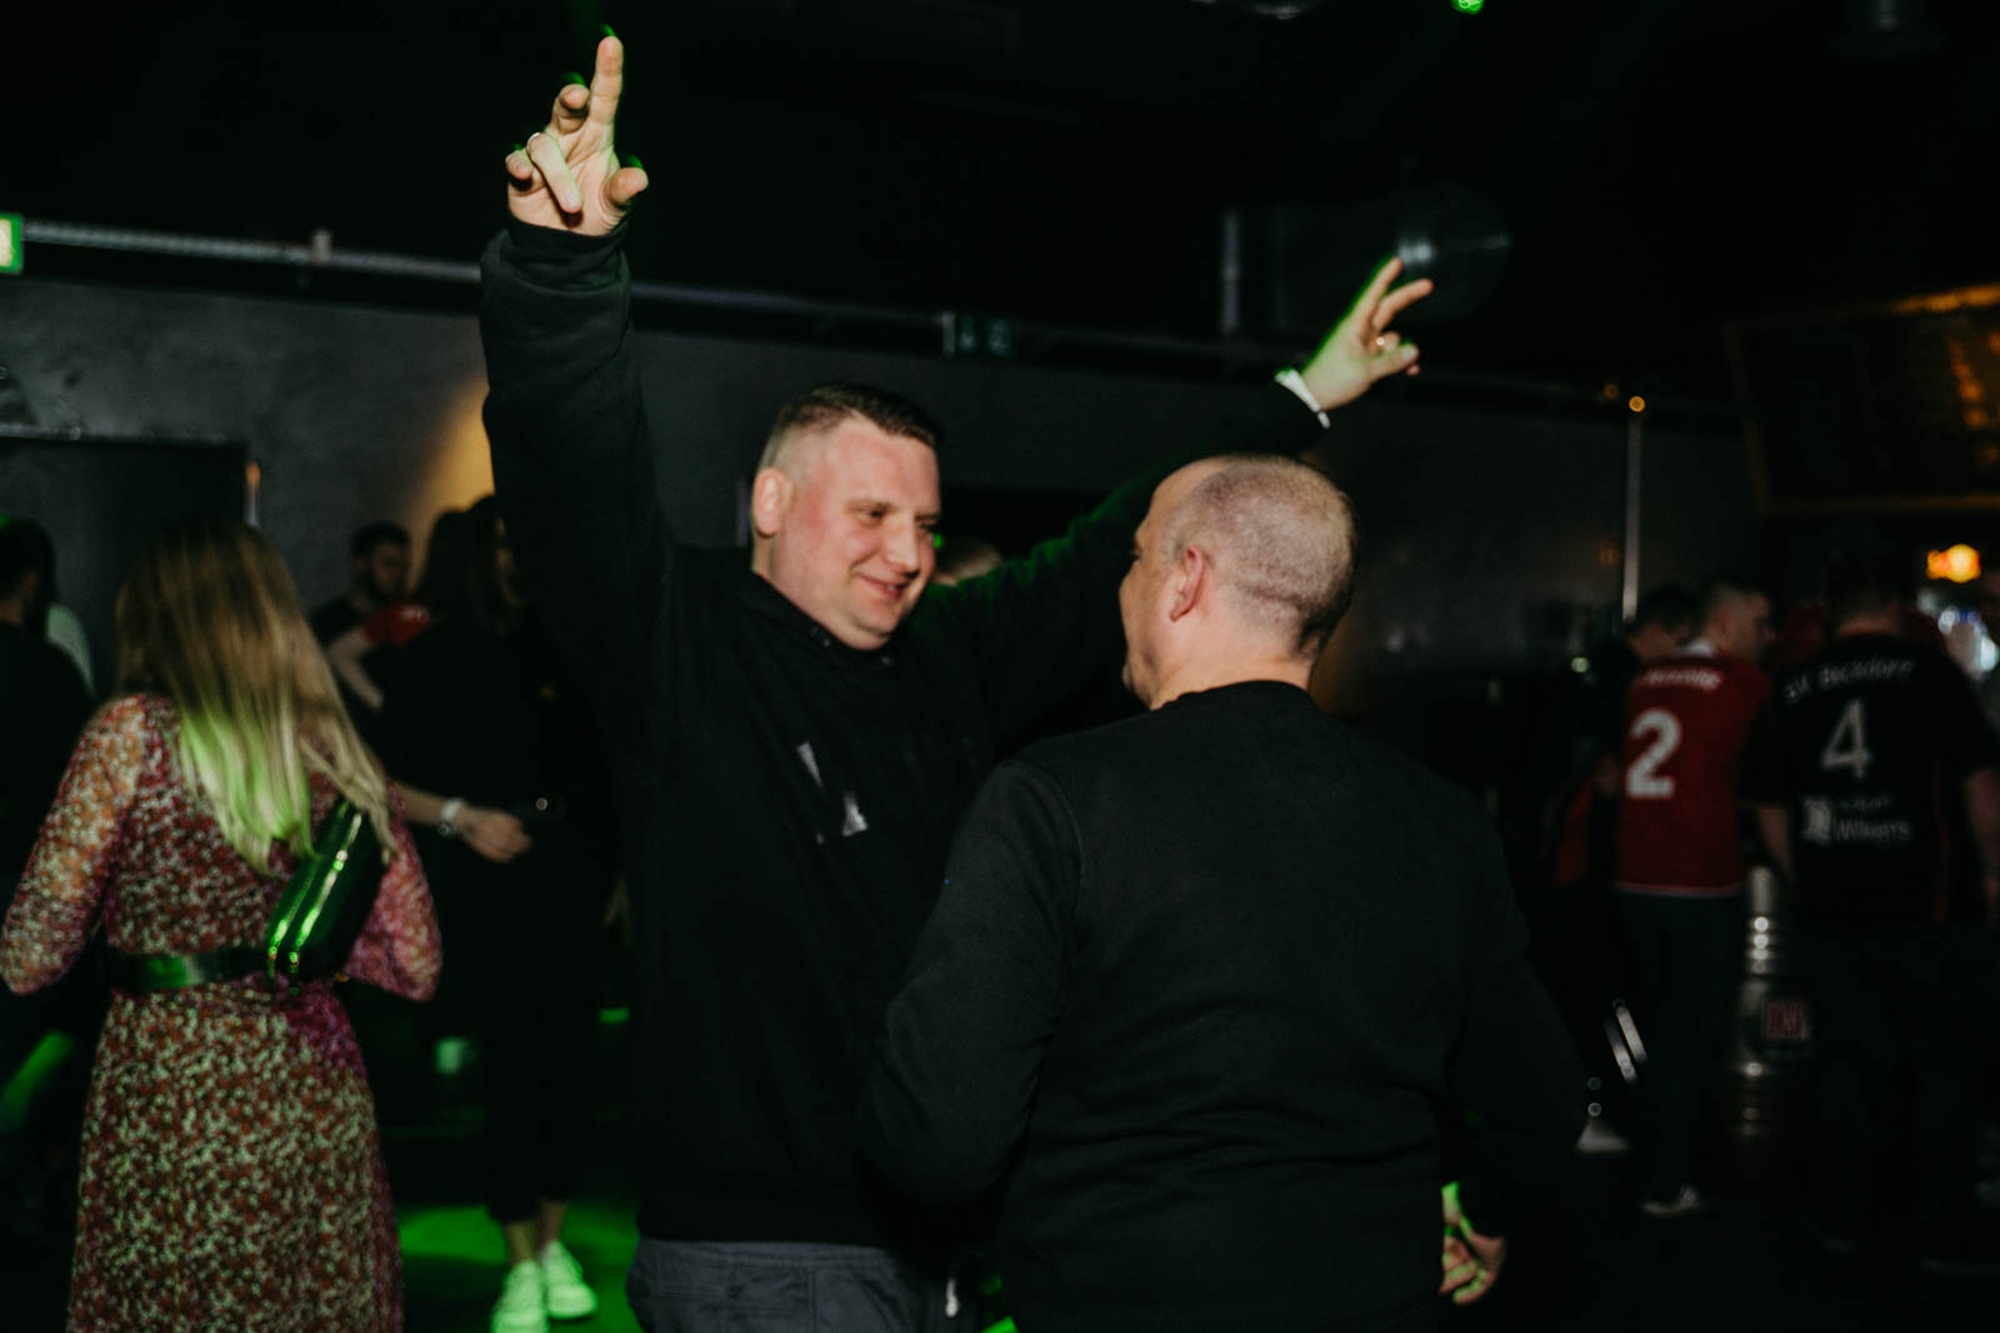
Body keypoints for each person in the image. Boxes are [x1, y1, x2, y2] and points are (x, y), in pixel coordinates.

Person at [480, 35, 1433, 1332]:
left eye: (926, 525)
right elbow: (573, 478)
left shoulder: (949, 651)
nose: (907, 553)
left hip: (935, 1247)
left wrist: (1304, 395)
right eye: (871, 514)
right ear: (770, 501)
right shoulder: (681, 646)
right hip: (764, 1252)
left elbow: (1118, 537)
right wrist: (559, 266)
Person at [856, 456, 1581, 1333]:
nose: (1121, 587)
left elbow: (940, 1138)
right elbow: (1540, 1101)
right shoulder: (1442, 821)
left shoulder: (1055, 800)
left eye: (1135, 557)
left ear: (1186, 579)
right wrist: (1484, 1207)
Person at [0, 517, 440, 1332]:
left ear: (152, 615)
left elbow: (28, 957)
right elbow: (414, 964)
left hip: (171, 1089)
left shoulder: (129, 735)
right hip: (310, 1087)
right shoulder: (331, 744)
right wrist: (297, 953)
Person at [362, 497, 616, 1333]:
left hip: (569, 874)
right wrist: (461, 817)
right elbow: (379, 781)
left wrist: (615, 871)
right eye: (502, 543)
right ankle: (518, 1261)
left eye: (525, 541)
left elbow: (609, 768)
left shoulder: (566, 643)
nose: (515, 558)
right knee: (512, 1065)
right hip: (483, 883)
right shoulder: (434, 653)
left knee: (570, 1066)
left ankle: (553, 1244)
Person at [1747, 548, 2000, 1271]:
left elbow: (1767, 802)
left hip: (1833, 908)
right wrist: (1993, 872)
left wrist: (1805, 872)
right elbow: (1981, 787)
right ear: (1895, 604)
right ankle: (1938, 1226)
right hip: (1928, 905)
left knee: (1845, 1065)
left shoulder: (1791, 685)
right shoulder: (1932, 675)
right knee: (1938, 1065)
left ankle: (1844, 1221)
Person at [1612, 573, 1773, 1217]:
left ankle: (1657, 1161)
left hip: (1635, 878)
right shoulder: (1742, 684)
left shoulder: (1646, 680)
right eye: (1759, 624)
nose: (1768, 637)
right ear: (1725, 624)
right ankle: (1669, 1179)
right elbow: (1762, 781)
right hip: (1701, 881)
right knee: (1695, 1034)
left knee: (1658, 1026)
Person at [312, 520, 413, 646]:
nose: (397, 574)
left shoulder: (406, 620)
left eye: (404, 567)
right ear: (360, 564)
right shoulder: (328, 622)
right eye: (388, 564)